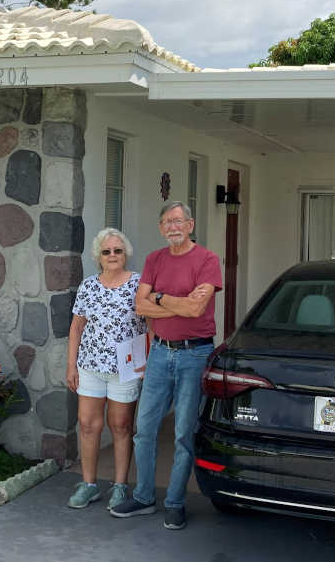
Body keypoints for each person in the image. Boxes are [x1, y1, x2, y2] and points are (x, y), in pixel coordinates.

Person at [109, 201, 221, 530]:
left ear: (190, 224)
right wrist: (174, 302)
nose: (172, 227)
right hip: (159, 352)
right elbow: (140, 305)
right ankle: (144, 497)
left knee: (184, 433)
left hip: (194, 354)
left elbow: (196, 312)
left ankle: (175, 502)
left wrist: (160, 298)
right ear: (161, 228)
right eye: (166, 222)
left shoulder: (207, 260)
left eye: (178, 221)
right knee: (144, 430)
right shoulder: (154, 259)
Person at [65, 227, 145, 510]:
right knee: (88, 425)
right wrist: (71, 366)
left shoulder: (139, 284)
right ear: (98, 256)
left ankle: (120, 486)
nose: (112, 255)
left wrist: (146, 362)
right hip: (90, 366)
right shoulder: (88, 286)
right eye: (106, 251)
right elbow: (76, 328)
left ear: (126, 255)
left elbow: (152, 325)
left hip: (126, 369)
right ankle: (89, 485)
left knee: (121, 426)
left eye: (118, 251)